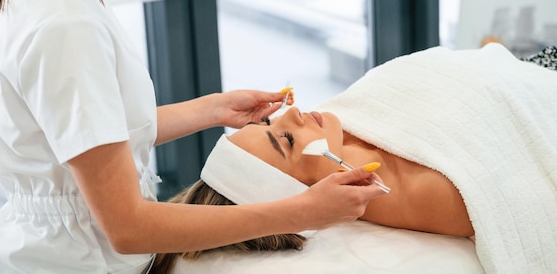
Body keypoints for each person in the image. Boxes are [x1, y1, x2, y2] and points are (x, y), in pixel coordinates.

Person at [0, 0, 388, 273]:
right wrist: (301, 212)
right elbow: (127, 226)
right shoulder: (64, 22)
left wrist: (213, 109)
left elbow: (86, 135)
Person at [152, 43, 557, 274]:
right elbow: (525, 208)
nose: (293, 113)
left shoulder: (336, 124)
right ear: (311, 192)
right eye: (288, 140)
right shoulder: (420, 193)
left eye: (267, 124)